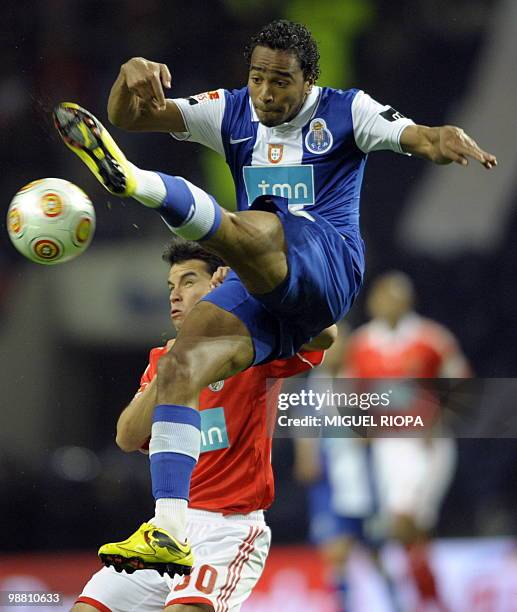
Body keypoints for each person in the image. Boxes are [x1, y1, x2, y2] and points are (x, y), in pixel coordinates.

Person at [53, 19, 496, 574]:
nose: (266, 93)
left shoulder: (346, 111)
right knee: (181, 362)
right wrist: (127, 78)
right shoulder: (232, 110)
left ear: (309, 80)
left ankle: (137, 182)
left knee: (257, 221)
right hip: (262, 283)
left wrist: (443, 138)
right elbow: (129, 115)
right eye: (258, 78)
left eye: (281, 82)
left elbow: (420, 137)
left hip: (328, 263)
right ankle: (167, 527)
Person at [74, 237, 331, 612]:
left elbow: (324, 334)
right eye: (170, 286)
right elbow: (127, 436)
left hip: (228, 531)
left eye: (189, 281)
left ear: (217, 284)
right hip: (169, 529)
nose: (174, 295)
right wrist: (172, 367)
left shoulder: (252, 347)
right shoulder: (163, 359)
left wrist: (253, 291)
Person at [297, 271, 471, 611]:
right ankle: (429, 598)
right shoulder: (362, 344)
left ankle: (425, 598)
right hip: (383, 449)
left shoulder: (430, 338)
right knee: (402, 530)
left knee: (406, 523)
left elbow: (461, 380)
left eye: (393, 297)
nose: (385, 304)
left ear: (407, 301)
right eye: (380, 297)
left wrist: (438, 420)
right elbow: (346, 395)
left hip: (423, 444)